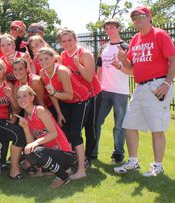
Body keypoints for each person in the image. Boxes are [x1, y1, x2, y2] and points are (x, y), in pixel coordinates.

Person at [114, 6, 175, 176]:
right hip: (140, 88)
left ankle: (158, 166)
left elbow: (173, 59)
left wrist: (167, 83)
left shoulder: (160, 34)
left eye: (140, 16)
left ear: (149, 17)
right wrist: (123, 59)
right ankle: (133, 162)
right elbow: (131, 67)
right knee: (128, 125)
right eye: (134, 18)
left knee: (157, 129)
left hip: (158, 85)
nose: (137, 20)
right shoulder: (135, 39)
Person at [38, 47, 89, 179]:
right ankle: (69, 166)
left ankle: (81, 169)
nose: (44, 62)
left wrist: (54, 93)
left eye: (47, 59)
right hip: (65, 102)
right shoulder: (43, 73)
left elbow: (69, 94)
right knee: (65, 133)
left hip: (79, 100)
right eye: (41, 59)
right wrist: (59, 112)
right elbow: (52, 94)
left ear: (53, 58)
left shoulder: (61, 71)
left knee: (75, 134)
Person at [59, 28, 102, 170]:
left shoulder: (85, 54)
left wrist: (78, 65)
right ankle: (75, 155)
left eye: (70, 40)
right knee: (74, 127)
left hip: (92, 94)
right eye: (64, 41)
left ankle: (89, 156)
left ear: (75, 39)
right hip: (76, 97)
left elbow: (90, 77)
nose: (67, 43)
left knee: (91, 126)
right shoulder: (62, 55)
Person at [16, 85, 75, 189]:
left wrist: (36, 143)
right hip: (50, 154)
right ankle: (49, 171)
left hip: (64, 154)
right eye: (19, 97)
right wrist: (25, 127)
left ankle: (63, 176)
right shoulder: (27, 118)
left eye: (25, 96)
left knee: (37, 150)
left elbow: (54, 133)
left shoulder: (40, 110)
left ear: (32, 97)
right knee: (28, 151)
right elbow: (30, 144)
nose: (21, 99)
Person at [94, 19, 130, 163]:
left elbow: (131, 70)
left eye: (112, 28)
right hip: (104, 92)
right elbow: (99, 71)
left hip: (120, 92)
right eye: (107, 28)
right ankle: (92, 152)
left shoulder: (126, 46)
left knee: (119, 126)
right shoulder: (103, 48)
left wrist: (120, 66)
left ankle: (118, 154)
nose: (109, 31)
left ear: (118, 28)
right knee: (96, 123)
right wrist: (97, 89)